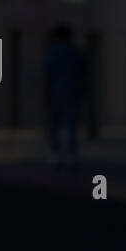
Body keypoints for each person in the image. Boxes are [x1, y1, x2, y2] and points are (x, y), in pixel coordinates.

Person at [44, 23, 88, 168]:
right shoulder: (76, 52)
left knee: (54, 124)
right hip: (73, 91)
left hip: (56, 91)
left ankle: (55, 153)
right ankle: (72, 154)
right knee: (72, 124)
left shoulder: (53, 52)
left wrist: (46, 93)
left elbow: (48, 75)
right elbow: (84, 73)